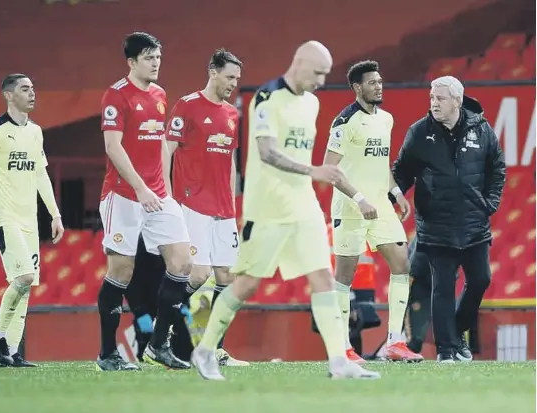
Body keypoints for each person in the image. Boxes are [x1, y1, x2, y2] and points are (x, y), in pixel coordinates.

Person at [191, 41, 381, 380]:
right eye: (318, 73)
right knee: (246, 284)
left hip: (304, 205)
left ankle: (338, 361)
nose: (322, 81)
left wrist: (313, 177)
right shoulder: (267, 98)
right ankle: (204, 351)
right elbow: (266, 152)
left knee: (323, 276)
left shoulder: (312, 103)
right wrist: (314, 171)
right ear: (300, 63)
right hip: (268, 208)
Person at [392, 75, 505, 363]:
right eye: (431, 98)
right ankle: (446, 351)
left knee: (480, 280)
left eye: (440, 98)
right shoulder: (419, 132)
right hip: (435, 225)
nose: (434, 104)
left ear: (457, 100)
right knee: (442, 286)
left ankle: (455, 332)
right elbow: (402, 170)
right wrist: (394, 196)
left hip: (474, 224)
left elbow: (496, 167)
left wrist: (490, 203)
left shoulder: (482, 130)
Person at [97, 32, 192, 371]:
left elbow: (158, 150)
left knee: (182, 262)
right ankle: (108, 354)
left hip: (157, 195)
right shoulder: (116, 96)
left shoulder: (160, 95)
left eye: (158, 57)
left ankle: (158, 345)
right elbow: (113, 147)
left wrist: (164, 192)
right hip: (123, 196)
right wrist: (140, 188)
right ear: (132, 62)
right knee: (121, 271)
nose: (156, 63)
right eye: (149, 57)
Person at [323, 60, 423, 363]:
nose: (378, 86)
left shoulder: (387, 119)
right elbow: (330, 169)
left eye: (380, 81)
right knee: (345, 276)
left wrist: (396, 194)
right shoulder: (345, 121)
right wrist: (360, 197)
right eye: (372, 82)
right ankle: (342, 347)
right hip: (351, 207)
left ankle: (395, 341)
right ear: (357, 87)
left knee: (402, 264)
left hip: (379, 206)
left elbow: (382, 165)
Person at [162, 49, 248, 367]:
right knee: (198, 275)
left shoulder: (231, 114)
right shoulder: (187, 105)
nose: (233, 84)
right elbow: (165, 148)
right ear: (212, 71)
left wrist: (234, 203)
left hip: (223, 209)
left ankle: (214, 349)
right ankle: (162, 336)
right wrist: (167, 197)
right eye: (229, 77)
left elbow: (230, 164)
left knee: (226, 276)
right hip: (191, 203)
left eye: (237, 79)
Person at [0, 74, 64, 367]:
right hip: (3, 217)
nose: (32, 93)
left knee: (26, 284)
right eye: (25, 89)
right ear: (9, 96)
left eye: (33, 88)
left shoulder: (36, 131)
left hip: (29, 220)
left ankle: (9, 352)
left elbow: (40, 174)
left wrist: (55, 213)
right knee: (23, 277)